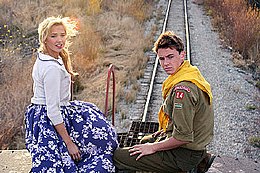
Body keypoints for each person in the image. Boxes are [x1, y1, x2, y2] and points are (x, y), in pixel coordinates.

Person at [24, 16, 118, 173]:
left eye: (62, 35)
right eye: (53, 36)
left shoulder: (49, 56)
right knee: (69, 162)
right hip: (48, 118)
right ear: (44, 38)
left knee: (101, 133)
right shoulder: (51, 69)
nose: (59, 40)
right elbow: (52, 110)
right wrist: (69, 143)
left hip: (54, 111)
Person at [113, 31, 215, 173]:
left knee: (118, 156)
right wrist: (158, 137)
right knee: (143, 142)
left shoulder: (182, 91)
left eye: (170, 57)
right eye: (162, 59)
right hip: (190, 148)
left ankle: (194, 165)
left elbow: (183, 137)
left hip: (183, 155)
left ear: (182, 55)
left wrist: (153, 147)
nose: (166, 63)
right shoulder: (190, 73)